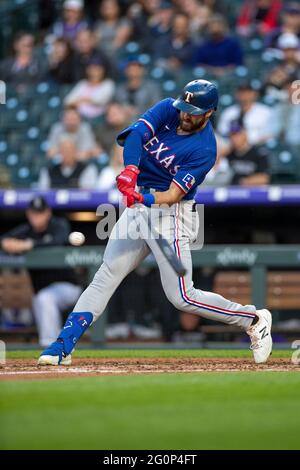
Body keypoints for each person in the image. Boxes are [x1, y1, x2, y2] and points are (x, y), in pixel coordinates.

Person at [38, 79, 272, 367]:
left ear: (209, 113)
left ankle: (253, 318)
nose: (185, 115)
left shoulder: (205, 150)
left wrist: (142, 197)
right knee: (106, 273)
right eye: (184, 108)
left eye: (192, 111)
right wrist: (131, 170)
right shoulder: (168, 109)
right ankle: (64, 343)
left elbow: (172, 195)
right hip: (139, 204)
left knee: (182, 296)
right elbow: (135, 135)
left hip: (170, 214)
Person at [0, 196, 82, 347]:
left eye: (40, 213)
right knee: (41, 299)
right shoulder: (26, 230)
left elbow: (58, 240)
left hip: (68, 286)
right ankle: (57, 344)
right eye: (33, 213)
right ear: (28, 214)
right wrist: (9, 244)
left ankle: (51, 346)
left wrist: (28, 245)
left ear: (48, 213)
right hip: (41, 290)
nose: (37, 217)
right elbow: (4, 239)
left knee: (45, 298)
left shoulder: (58, 225)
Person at [217, 81, 273, 145]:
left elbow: (270, 134)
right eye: (241, 92)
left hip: (257, 146)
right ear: (236, 94)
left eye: (248, 92)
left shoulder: (265, 111)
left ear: (255, 94)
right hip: (232, 147)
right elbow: (222, 131)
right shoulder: (229, 112)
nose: (244, 95)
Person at [226, 122, 270, 186]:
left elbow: (264, 178)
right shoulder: (229, 153)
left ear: (245, 134)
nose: (234, 138)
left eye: (237, 134)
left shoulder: (258, 153)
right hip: (231, 191)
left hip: (253, 192)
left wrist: (242, 181)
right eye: (231, 135)